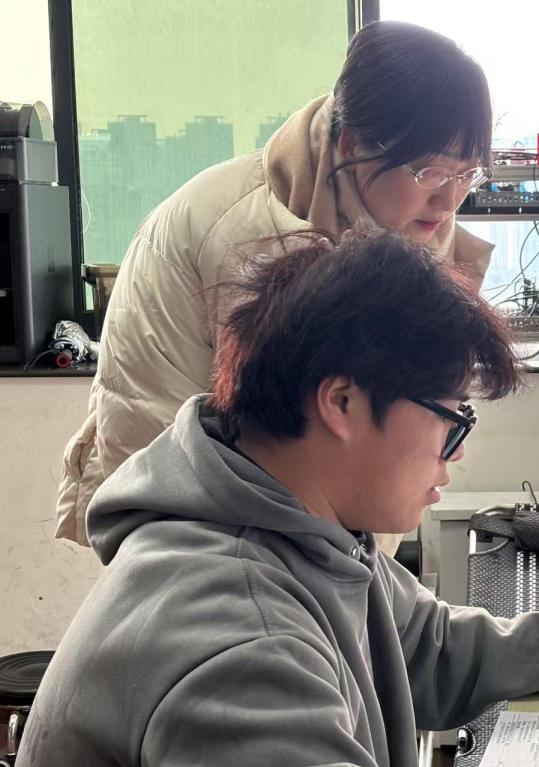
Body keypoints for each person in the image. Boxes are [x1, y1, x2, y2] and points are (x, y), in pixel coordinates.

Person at [20, 231, 539, 767]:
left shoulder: (305, 532)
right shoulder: (244, 643)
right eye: (451, 418)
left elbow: (437, 648)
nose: (457, 453)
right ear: (342, 402)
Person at [55, 20, 497, 557]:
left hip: (289, 506)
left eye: (468, 174)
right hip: (187, 495)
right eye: (430, 172)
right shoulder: (249, 237)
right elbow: (285, 448)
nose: (450, 200)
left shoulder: (405, 213)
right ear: (351, 144)